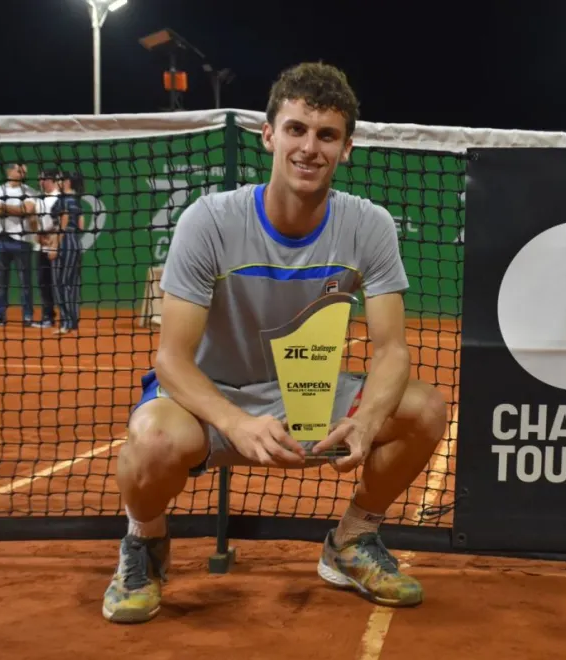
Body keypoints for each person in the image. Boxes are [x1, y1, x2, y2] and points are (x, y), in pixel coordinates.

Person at [103, 62, 447, 624]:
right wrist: (236, 423)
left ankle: (353, 541)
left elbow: (391, 351)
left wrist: (364, 423)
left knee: (424, 408)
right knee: (151, 437)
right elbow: (170, 359)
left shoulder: (370, 226)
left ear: (347, 148)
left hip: (309, 400)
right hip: (211, 405)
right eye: (296, 129)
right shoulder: (209, 221)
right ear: (269, 135)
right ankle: (144, 542)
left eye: (327, 135)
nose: (310, 148)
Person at [0, 162, 39, 326]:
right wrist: (16, 209)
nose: (22, 174)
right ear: (9, 171)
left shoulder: (30, 191)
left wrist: (3, 206)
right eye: (19, 170)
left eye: (24, 172)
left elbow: (27, 210)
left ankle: (27, 316)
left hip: (22, 241)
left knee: (25, 281)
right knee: (0, 281)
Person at [51, 172, 85, 334]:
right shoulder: (77, 201)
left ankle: (65, 322)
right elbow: (81, 225)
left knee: (60, 282)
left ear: (67, 182)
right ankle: (72, 321)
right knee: (71, 283)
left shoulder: (64, 200)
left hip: (64, 242)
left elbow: (63, 221)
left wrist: (54, 245)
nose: (57, 182)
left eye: (59, 179)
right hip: (75, 242)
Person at [32, 169, 62, 329]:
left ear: (52, 180)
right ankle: (48, 317)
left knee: (59, 283)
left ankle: (67, 317)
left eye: (43, 179)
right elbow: (36, 221)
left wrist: (50, 241)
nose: (41, 182)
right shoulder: (39, 199)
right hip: (40, 247)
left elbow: (59, 224)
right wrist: (38, 235)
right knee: (44, 283)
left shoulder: (60, 198)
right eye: (39, 179)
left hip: (55, 247)